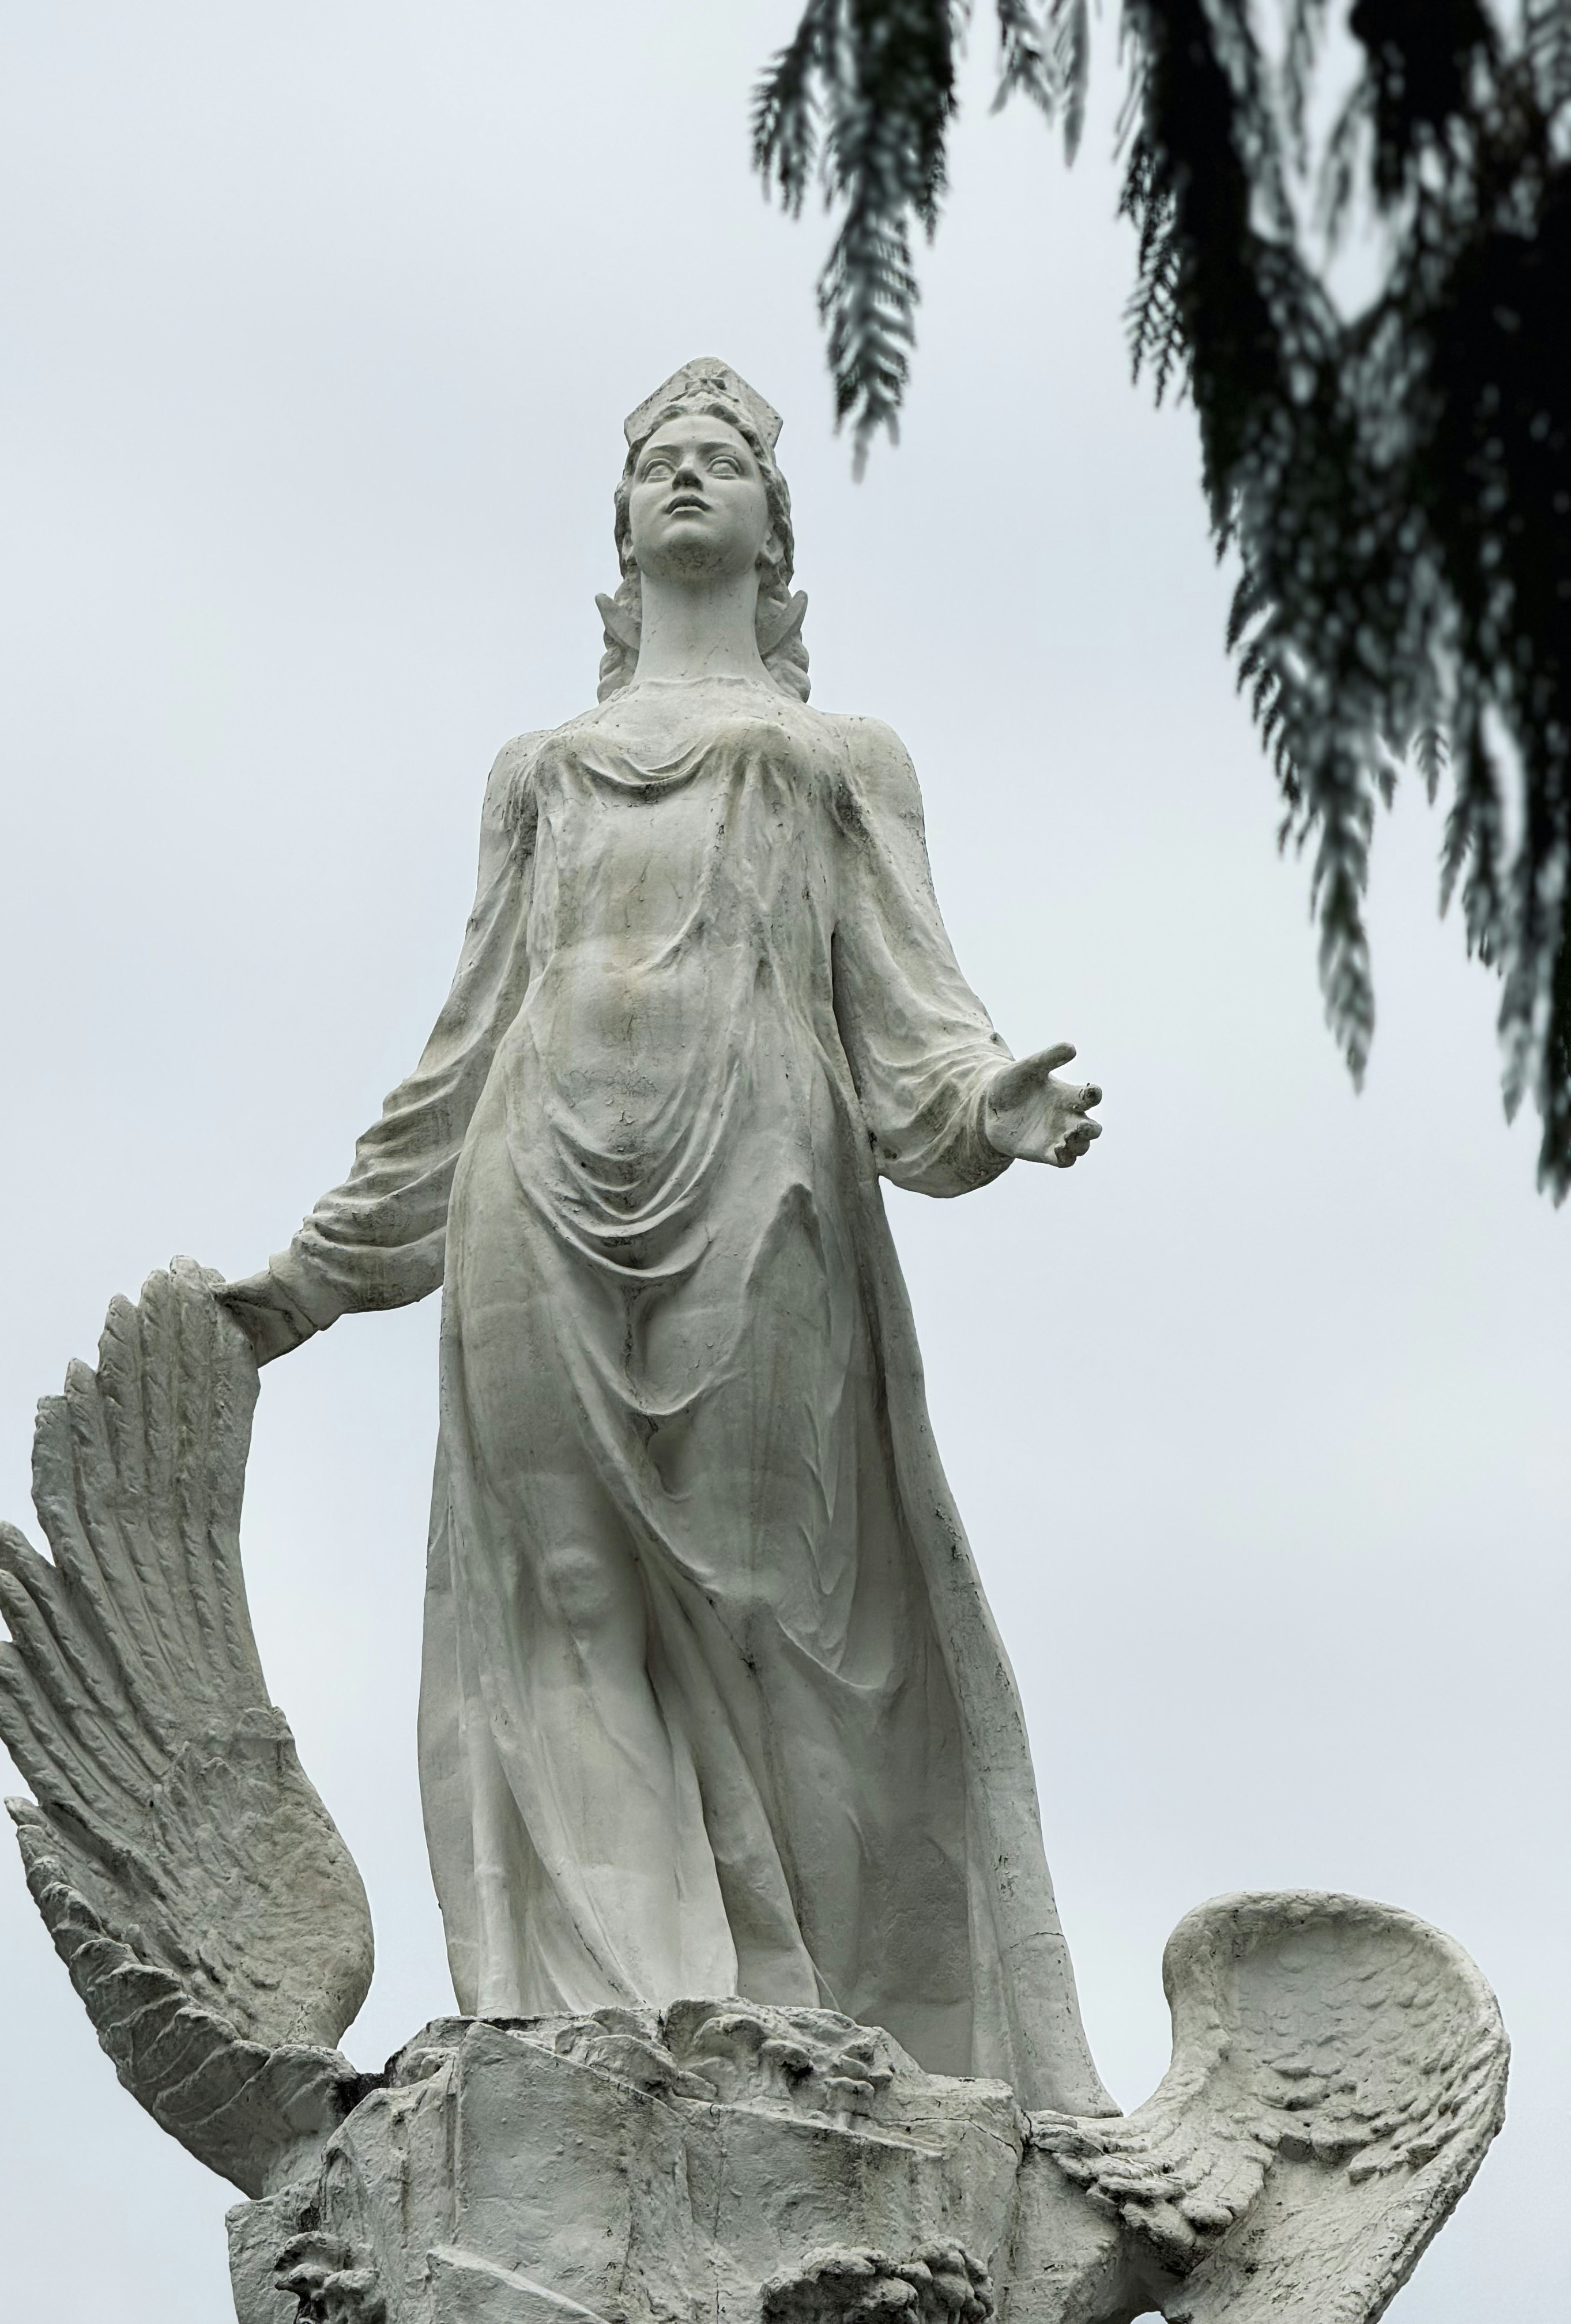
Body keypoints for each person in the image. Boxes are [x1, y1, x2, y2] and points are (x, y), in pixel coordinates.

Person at [222, 358, 1111, 2112]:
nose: (690, 480)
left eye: (725, 464)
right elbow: (470, 1028)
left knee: (779, 1603)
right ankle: (611, 2019)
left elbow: (913, 1006)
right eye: (659, 467)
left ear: (779, 532)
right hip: (530, 1178)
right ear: (619, 534)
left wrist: (989, 1103)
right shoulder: (537, 773)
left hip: (760, 1177)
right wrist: (323, 1268)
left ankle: (816, 2018)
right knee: (561, 1599)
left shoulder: (838, 758)